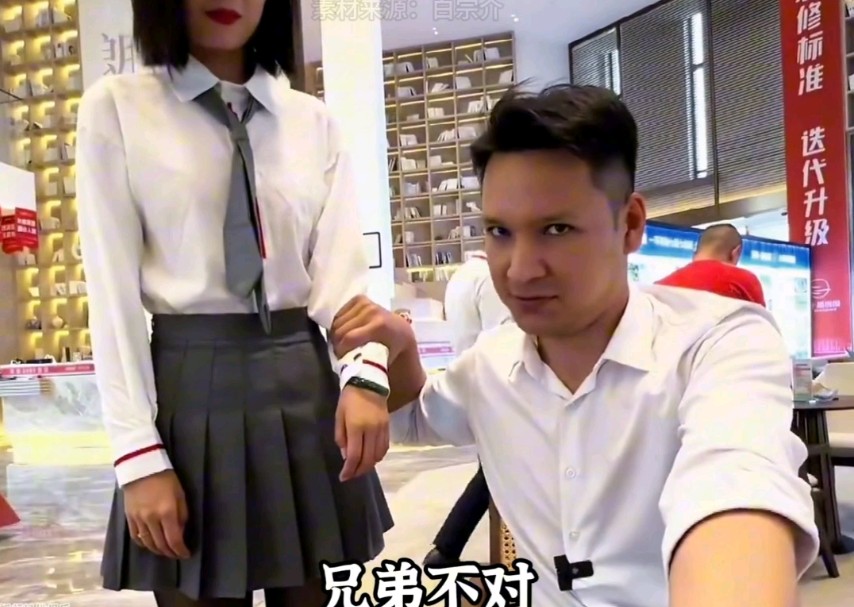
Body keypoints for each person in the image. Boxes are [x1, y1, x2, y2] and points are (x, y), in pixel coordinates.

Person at [331, 84, 818, 606]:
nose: (520, 269)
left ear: (630, 225)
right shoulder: (491, 363)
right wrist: (397, 348)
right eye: (499, 231)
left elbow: (736, 482)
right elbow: (412, 417)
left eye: (557, 229)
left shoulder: (717, 342)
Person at [75, 1, 393, 606]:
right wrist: (138, 458)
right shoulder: (116, 109)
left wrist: (364, 378)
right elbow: (111, 300)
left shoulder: (314, 123)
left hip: (306, 394)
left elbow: (343, 280)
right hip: (190, 400)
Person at [424, 251, 512, 567]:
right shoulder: (488, 278)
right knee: (498, 470)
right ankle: (445, 550)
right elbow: (505, 338)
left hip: (476, 384)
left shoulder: (460, 276)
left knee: (493, 470)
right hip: (498, 387)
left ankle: (446, 549)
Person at [657, 223, 766, 306]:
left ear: (696, 251)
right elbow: (762, 326)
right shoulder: (743, 280)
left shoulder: (660, 286)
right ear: (736, 252)